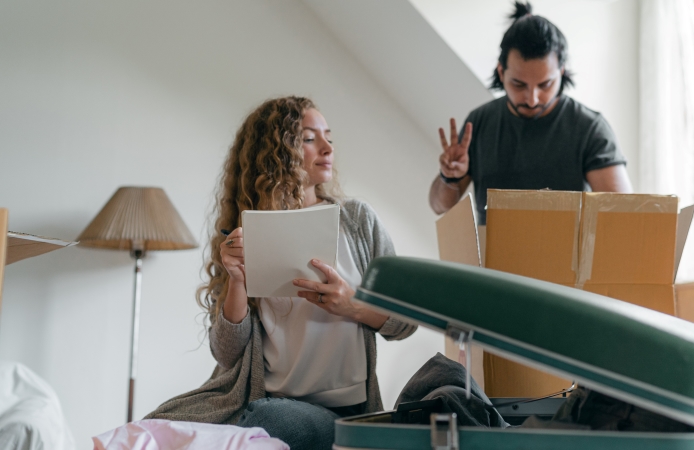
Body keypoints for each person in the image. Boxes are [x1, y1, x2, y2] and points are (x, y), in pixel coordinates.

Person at [145, 96, 417, 449]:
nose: (327, 147)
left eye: (328, 137)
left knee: (266, 421)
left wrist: (351, 305)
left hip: (341, 412)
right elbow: (227, 355)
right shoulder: (246, 232)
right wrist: (237, 281)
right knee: (152, 428)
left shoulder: (358, 222)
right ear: (276, 152)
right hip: (262, 397)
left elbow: (406, 321)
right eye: (309, 138)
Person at [429, 1, 633, 224]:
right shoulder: (479, 122)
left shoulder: (589, 129)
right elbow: (440, 206)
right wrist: (449, 176)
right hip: (492, 258)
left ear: (561, 72)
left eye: (545, 85)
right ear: (501, 71)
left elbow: (622, 216)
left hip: (566, 257)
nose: (532, 99)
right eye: (519, 84)